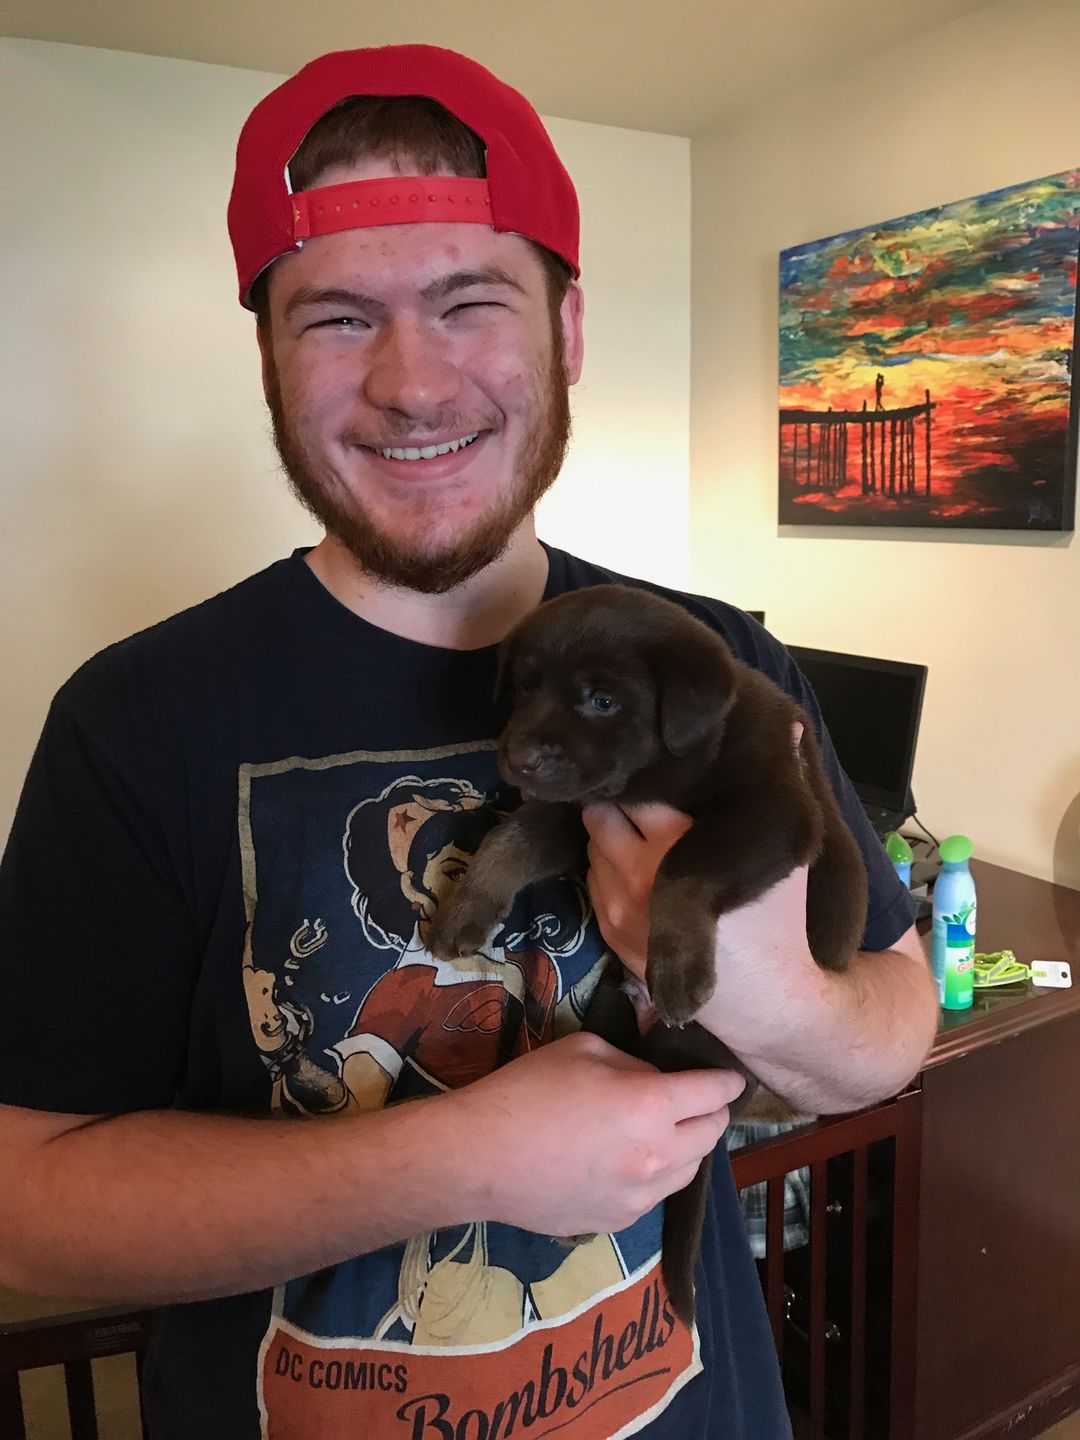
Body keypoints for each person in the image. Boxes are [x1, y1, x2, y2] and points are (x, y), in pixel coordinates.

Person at [0, 43, 938, 1439]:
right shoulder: (134, 722)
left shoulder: (715, 656)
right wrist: (455, 1160)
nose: (414, 383)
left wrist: (777, 998)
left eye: (470, 302)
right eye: (336, 318)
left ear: (567, 331)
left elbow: (897, 1025)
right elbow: (25, 1208)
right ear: (268, 359)